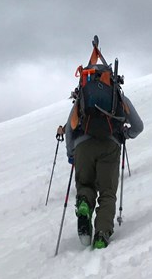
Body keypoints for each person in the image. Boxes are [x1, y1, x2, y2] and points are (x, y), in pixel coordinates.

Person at [57, 48, 143, 249]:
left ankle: (84, 204)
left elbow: (70, 127)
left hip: (83, 146)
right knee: (107, 192)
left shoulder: (82, 97)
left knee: (85, 184)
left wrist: (72, 154)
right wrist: (124, 134)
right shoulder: (118, 97)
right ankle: (102, 234)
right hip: (110, 145)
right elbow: (138, 126)